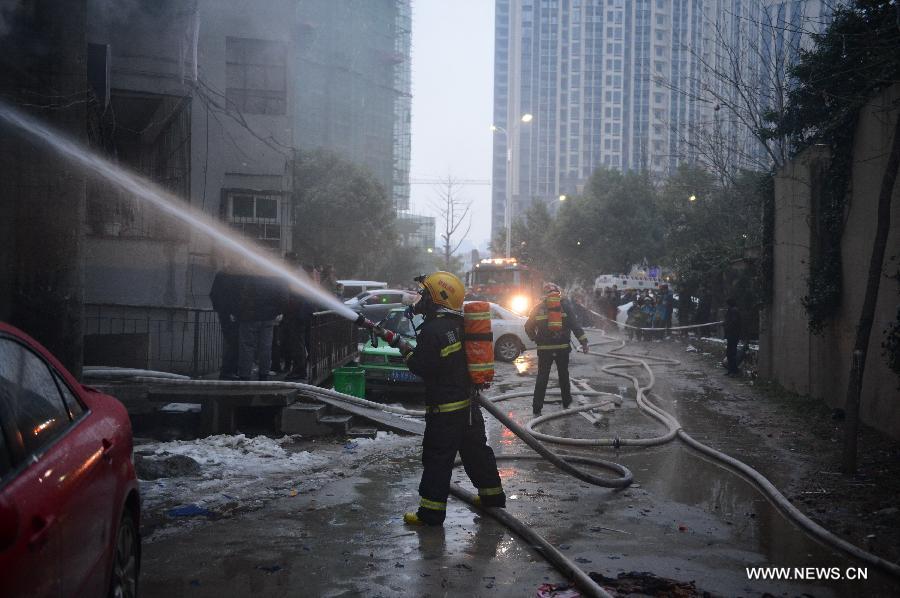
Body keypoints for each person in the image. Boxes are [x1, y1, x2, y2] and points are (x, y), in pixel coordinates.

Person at [378, 271, 505, 526]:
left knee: (437, 458)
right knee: (477, 452)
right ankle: (493, 498)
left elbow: (423, 366)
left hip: (445, 410)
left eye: (425, 294)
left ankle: (431, 513)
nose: (420, 298)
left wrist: (405, 350)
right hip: (468, 406)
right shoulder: (459, 325)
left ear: (438, 297)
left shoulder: (434, 329)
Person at [525, 282, 589, 416]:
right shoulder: (565, 307)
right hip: (562, 348)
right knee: (563, 375)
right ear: (558, 293)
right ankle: (566, 402)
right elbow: (575, 325)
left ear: (544, 294)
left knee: (542, 377)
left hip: (544, 349)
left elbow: (528, 327)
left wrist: (535, 338)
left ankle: (537, 407)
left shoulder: (538, 308)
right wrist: (584, 342)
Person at [236, 267, 288, 381]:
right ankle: (263, 374)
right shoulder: (274, 279)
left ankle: (245, 374)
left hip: (249, 317)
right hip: (268, 317)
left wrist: (238, 313)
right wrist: (278, 312)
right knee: (266, 346)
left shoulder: (249, 278)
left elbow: (241, 296)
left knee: (247, 346)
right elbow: (283, 296)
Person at [209, 260, 242, 380]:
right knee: (234, 343)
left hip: (227, 313)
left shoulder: (222, 275)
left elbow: (214, 295)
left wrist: (221, 311)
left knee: (232, 342)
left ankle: (229, 370)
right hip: (232, 314)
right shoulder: (234, 276)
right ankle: (229, 370)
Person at [724, 298, 742, 376]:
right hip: (731, 335)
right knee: (729, 353)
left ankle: (734, 371)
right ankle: (730, 370)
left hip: (733, 335)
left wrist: (727, 326)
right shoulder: (732, 310)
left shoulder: (734, 310)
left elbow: (734, 322)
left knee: (732, 353)